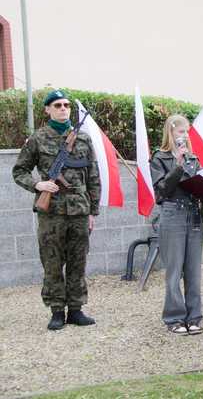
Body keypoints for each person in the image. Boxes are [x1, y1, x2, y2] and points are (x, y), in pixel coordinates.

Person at [13, 89, 101, 330]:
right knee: (52, 262)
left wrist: (93, 211)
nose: (63, 109)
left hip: (80, 212)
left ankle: (75, 309)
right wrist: (38, 184)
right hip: (51, 212)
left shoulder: (82, 138)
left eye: (66, 105)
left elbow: (93, 175)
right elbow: (19, 171)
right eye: (58, 105)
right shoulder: (38, 138)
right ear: (47, 110)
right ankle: (56, 311)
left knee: (77, 261)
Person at [150, 114, 203, 335]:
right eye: (180, 131)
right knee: (174, 270)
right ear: (170, 133)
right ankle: (174, 317)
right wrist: (179, 166)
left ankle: (194, 317)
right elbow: (161, 191)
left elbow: (198, 186)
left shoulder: (194, 158)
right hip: (172, 214)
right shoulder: (160, 157)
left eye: (186, 131)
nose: (184, 136)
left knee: (193, 271)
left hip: (193, 215)